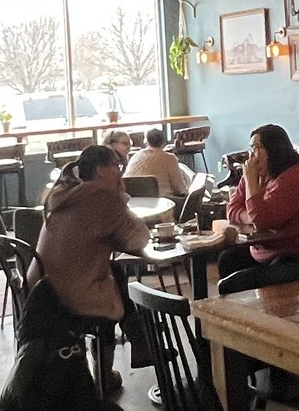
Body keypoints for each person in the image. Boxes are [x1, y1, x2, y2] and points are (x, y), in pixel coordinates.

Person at [36, 144, 151, 390]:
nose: (121, 173)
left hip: (42, 292)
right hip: (69, 297)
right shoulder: (101, 196)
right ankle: (108, 372)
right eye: (116, 167)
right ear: (100, 170)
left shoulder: (67, 192)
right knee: (113, 283)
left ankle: (138, 343)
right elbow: (138, 239)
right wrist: (122, 199)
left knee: (115, 273)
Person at [221, 124, 299, 275]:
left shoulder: (296, 176)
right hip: (270, 250)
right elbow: (231, 209)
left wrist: (251, 184)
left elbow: (262, 221)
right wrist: (251, 216)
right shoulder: (256, 174)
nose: (251, 156)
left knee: (238, 281)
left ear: (274, 150)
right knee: (228, 260)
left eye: (256, 148)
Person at [124, 127, 191, 200]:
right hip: (161, 201)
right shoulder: (169, 158)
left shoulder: (136, 156)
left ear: (146, 142)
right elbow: (179, 188)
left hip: (134, 200)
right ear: (163, 142)